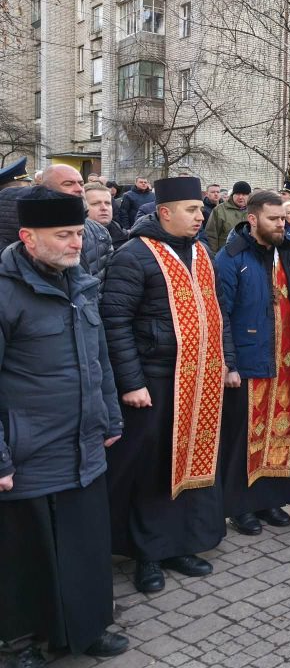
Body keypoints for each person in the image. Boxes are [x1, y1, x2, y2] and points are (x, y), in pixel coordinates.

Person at [0, 194, 128, 666]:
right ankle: (21, 643)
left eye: (78, 234)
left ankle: (87, 628)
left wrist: (111, 416)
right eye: (64, 235)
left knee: (84, 546)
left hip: (85, 445)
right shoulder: (4, 292)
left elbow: (100, 358)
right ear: (27, 238)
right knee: (27, 556)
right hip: (29, 451)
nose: (77, 243)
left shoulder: (83, 283)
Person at [101, 176, 226, 593]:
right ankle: (146, 553)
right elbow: (115, 322)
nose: (200, 215)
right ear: (164, 212)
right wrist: (132, 382)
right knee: (152, 466)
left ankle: (180, 543)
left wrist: (225, 362)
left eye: (200, 209)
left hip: (201, 378)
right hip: (155, 380)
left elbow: (215, 312)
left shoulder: (202, 252)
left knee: (190, 460)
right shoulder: (134, 255)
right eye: (191, 209)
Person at [215, 190, 290, 535]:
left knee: (281, 431)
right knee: (245, 435)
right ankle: (240, 506)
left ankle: (270, 499)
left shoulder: (287, 253)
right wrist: (229, 364)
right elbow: (221, 315)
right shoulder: (231, 257)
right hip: (249, 361)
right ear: (253, 219)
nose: (282, 224)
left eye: (284, 217)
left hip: (285, 362)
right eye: (274, 219)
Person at [40, 165, 113, 278]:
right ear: (47, 188)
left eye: (81, 184)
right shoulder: (38, 230)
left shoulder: (100, 231)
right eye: (68, 184)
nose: (79, 189)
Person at [206, 181, 251, 253]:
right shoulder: (219, 210)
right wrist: (214, 256)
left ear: (249, 196)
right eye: (237, 194)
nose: (240, 197)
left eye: (244, 194)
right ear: (232, 194)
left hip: (249, 255)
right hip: (225, 255)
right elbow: (211, 235)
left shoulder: (254, 210)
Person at [85, 181, 130, 250]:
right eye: (95, 203)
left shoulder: (127, 238)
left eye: (107, 203)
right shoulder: (75, 243)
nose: (104, 208)